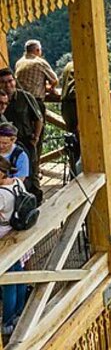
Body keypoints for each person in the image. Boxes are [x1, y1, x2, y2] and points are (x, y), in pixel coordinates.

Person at [0, 68, 43, 203]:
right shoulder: (1, 100)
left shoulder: (25, 97)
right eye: (3, 82)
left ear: (14, 81)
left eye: (10, 81)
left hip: (26, 140)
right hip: (6, 146)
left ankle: (35, 202)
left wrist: (35, 138)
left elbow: (38, 118)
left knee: (32, 174)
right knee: (10, 174)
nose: (8, 85)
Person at [0, 156, 30, 336]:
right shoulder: (18, 182)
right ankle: (19, 311)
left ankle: (8, 321)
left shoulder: (1, 194)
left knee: (8, 281)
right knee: (18, 273)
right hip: (17, 233)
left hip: (4, 237)